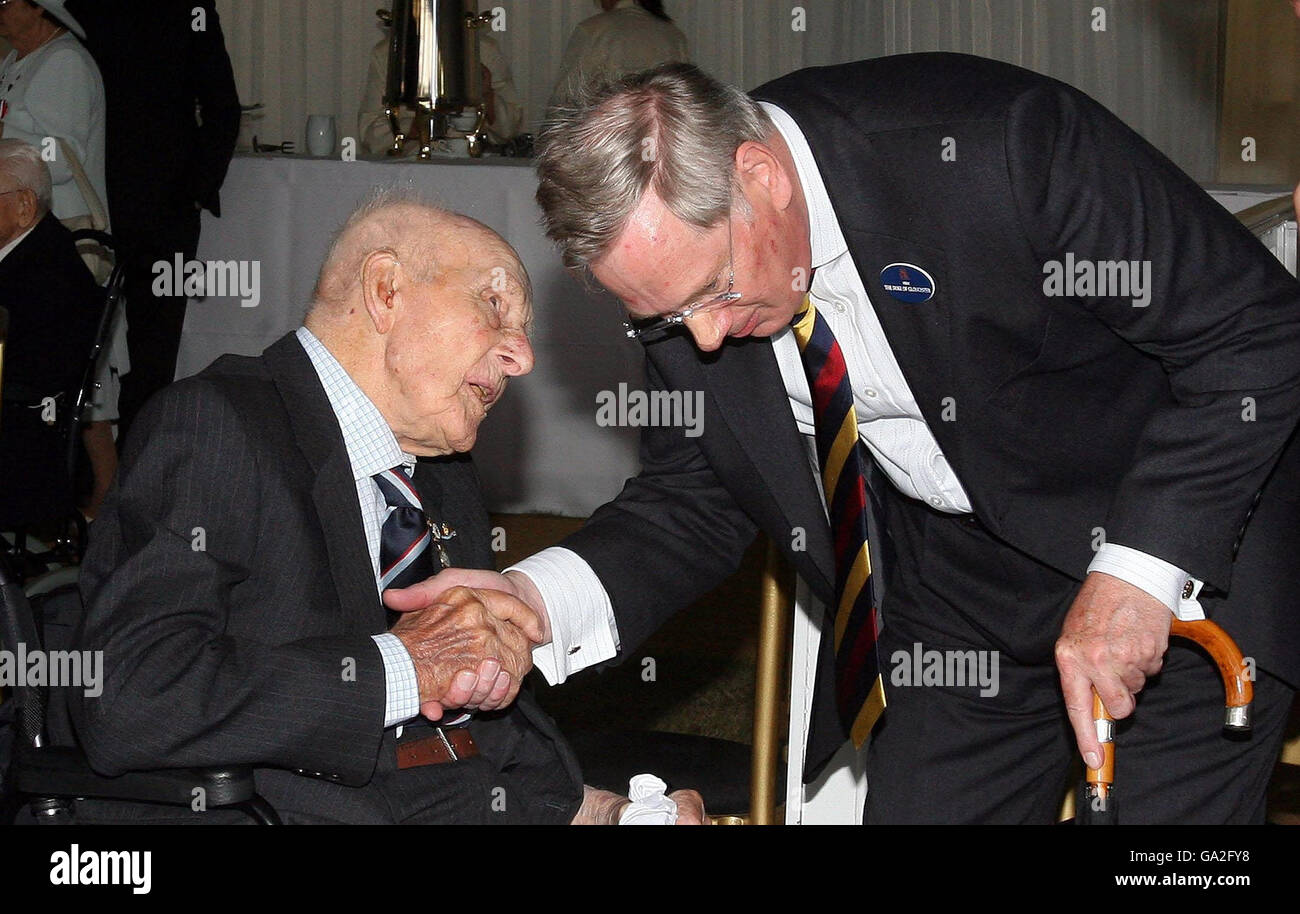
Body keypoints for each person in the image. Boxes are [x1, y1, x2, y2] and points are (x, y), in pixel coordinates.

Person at [389, 58, 1300, 824]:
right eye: (664, 318)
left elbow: (1256, 332)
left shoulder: (1001, 147)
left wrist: (1136, 573)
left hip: (1183, 546)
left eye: (710, 294)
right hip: (957, 588)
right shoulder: (686, 296)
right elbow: (692, 498)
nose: (701, 340)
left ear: (761, 178)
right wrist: (530, 599)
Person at [63, 189, 703, 825]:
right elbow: (127, 697)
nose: (522, 356)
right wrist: (404, 665)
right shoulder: (216, 425)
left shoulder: (441, 478)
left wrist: (603, 814)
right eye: (495, 305)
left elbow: (467, 732)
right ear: (385, 290)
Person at [66, 0, 241, 439]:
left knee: (151, 353)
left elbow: (223, 106)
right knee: (82, 340)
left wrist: (194, 191)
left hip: (161, 210)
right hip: (87, 204)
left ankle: (136, 468)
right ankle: (86, 470)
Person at [0, 0, 122, 518]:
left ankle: (104, 500)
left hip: (62, 236)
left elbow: (62, 160)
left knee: (77, 371)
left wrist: (13, 153)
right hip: (22, 229)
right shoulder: (16, 60)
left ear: (41, 11)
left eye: (8, 1)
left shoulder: (66, 63)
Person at [0, 139, 99, 532]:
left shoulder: (46, 273)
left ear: (25, 206)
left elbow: (29, 373)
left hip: (24, 445)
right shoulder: (29, 253)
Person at [358, 32, 523, 157]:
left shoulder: (484, 49)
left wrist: (487, 94)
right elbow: (369, 134)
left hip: (474, 163)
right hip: (413, 165)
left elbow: (509, 129)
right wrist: (414, 128)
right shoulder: (388, 52)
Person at [549, 0, 688, 108]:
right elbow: (684, 96)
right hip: (660, 134)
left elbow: (565, 98)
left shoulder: (592, 30)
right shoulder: (674, 35)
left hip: (606, 135)